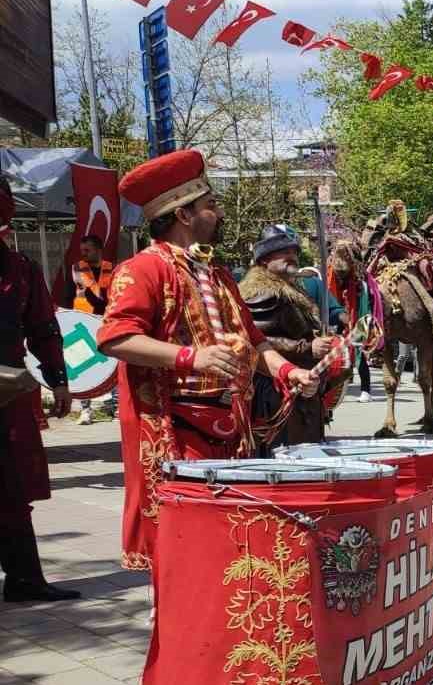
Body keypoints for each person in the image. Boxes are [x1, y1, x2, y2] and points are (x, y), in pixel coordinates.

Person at [97, 150, 317, 571]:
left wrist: (289, 371)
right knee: (184, 551)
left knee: (227, 548)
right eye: (211, 205)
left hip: (230, 429)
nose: (219, 214)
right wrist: (190, 357)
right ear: (184, 214)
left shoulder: (217, 274)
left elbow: (253, 341)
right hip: (177, 432)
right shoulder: (143, 269)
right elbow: (115, 337)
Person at [0, 176, 79, 602]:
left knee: (13, 487)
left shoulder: (22, 270)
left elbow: (44, 329)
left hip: (8, 394)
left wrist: (60, 382)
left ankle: (25, 579)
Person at [239, 225, 336, 453]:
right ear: (264, 260)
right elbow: (255, 340)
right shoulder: (261, 292)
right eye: (283, 252)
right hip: (274, 390)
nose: (292, 256)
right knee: (282, 457)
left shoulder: (293, 289)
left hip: (302, 386)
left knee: (307, 454)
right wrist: (307, 347)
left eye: (294, 251)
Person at [70, 233, 118, 423]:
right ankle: (85, 410)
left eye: (87, 250)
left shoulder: (113, 269)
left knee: (114, 362)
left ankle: (116, 407)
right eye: (82, 250)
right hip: (83, 321)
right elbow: (69, 293)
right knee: (82, 364)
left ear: (99, 250)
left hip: (107, 320)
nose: (83, 254)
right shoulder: (77, 269)